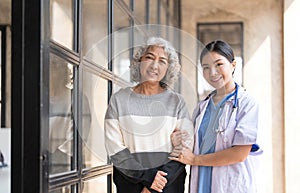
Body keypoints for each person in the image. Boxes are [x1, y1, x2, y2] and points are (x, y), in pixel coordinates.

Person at [170, 40, 262, 193]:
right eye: (206, 67)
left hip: (230, 186)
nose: (212, 72)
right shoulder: (202, 107)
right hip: (201, 184)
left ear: (233, 65)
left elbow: (239, 154)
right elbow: (194, 144)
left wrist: (194, 160)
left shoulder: (247, 104)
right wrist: (178, 138)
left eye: (219, 64)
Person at [104, 37, 194, 193]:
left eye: (162, 61)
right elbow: (115, 148)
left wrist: (154, 185)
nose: (154, 65)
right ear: (139, 62)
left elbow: (184, 147)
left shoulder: (176, 102)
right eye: (149, 57)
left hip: (168, 186)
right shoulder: (118, 100)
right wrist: (147, 177)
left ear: (169, 68)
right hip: (130, 186)